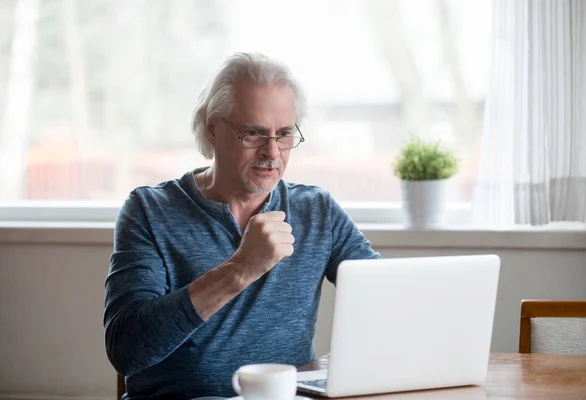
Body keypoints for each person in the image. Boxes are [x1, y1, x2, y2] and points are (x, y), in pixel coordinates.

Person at [103, 52, 381, 400]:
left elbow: (384, 298)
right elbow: (127, 350)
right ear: (212, 129)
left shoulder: (317, 210)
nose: (273, 152)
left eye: (283, 134)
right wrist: (240, 269)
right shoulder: (149, 210)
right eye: (254, 134)